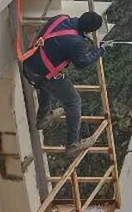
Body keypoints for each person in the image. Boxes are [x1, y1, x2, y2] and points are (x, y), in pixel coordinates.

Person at [20, 11, 107, 158]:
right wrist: (100, 51)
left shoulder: (60, 18)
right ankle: (73, 144)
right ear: (90, 30)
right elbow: (82, 62)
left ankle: (43, 117)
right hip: (41, 74)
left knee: (49, 82)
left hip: (29, 64)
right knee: (73, 101)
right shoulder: (77, 42)